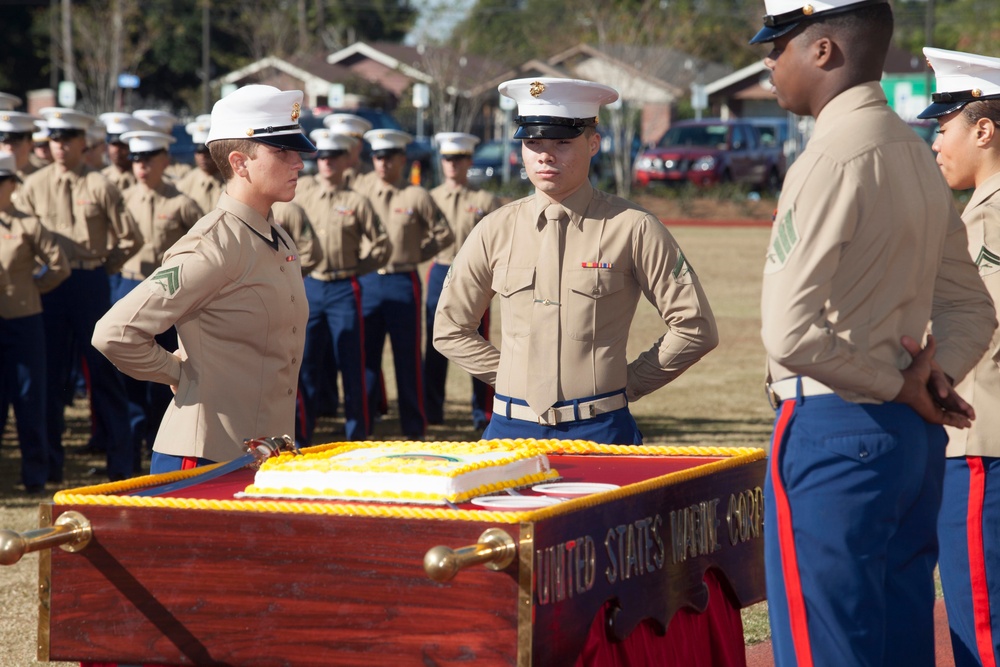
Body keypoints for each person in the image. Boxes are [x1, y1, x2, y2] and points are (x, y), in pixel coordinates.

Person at [750, 3, 997, 665]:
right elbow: (973, 310)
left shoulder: (831, 155)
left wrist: (898, 384)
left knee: (828, 651)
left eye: (779, 45)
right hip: (909, 442)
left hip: (835, 433)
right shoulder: (914, 157)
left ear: (824, 50)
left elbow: (789, 332)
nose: (768, 63)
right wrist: (929, 383)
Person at [433, 77, 718, 445]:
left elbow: (695, 327)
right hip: (510, 429)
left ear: (593, 142)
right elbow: (450, 327)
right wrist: (509, 373)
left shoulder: (632, 228)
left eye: (562, 142)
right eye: (532, 142)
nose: (545, 155)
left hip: (600, 428)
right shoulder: (494, 229)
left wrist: (629, 383)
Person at [93, 84, 314, 474]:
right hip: (205, 459)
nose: (298, 162)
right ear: (240, 162)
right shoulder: (213, 245)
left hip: (262, 458)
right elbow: (114, 332)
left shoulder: (276, 236)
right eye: (282, 151)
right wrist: (179, 373)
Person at [918, 47, 1000, 667]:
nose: (936, 144)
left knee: (981, 621)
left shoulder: (987, 222)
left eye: (942, 127)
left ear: (983, 129)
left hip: (981, 444)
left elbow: (977, 332)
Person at [15, 107, 142, 482]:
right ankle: (50, 464)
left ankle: (120, 463)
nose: (60, 146)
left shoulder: (100, 184)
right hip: (51, 284)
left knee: (104, 372)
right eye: (54, 139)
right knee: (51, 376)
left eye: (67, 138)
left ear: (82, 142)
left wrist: (104, 266)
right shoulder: (33, 186)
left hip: (90, 282)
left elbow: (130, 236)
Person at [354, 128, 453, 439]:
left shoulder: (416, 195)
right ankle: (363, 428)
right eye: (377, 157)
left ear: (401, 160)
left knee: (407, 357)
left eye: (388, 158)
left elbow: (443, 235)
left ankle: (415, 428)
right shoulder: (359, 190)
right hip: (367, 280)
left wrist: (414, 254)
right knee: (365, 357)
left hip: (403, 280)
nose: (382, 164)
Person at [114, 129, 203, 472]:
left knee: (164, 373)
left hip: (167, 296)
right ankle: (127, 451)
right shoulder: (122, 197)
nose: (141, 166)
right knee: (128, 375)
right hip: (128, 286)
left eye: (148, 159)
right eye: (136, 159)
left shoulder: (182, 203)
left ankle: (159, 444)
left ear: (163, 160)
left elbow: (202, 252)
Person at [294, 127, 390, 444]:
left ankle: (357, 434)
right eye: (321, 156)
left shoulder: (356, 201)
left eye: (334, 156)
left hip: (344, 289)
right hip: (310, 286)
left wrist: (356, 270)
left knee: (353, 363)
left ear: (344, 161)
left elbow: (381, 245)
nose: (327, 162)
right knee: (305, 364)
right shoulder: (300, 193)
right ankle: (302, 436)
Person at [0, 151, 70, 493]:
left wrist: (31, 289)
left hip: (23, 319)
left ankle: (35, 474)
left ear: (12, 184)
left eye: (2, 182)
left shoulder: (28, 224)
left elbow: (59, 266)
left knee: (29, 398)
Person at [424, 132, 499, 431]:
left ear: (469, 161)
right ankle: (432, 409)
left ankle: (483, 410)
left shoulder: (483, 199)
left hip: (475, 276)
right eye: (447, 158)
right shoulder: (430, 198)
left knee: (478, 340)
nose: (452, 164)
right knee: (435, 342)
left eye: (458, 159)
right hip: (440, 269)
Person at [175, 114, 225, 215]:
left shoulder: (231, 180)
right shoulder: (186, 184)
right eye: (198, 151)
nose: (202, 156)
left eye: (207, 150)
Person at [99, 112, 150, 191]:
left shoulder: (147, 179)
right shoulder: (101, 178)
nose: (116, 150)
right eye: (113, 144)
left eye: (122, 145)